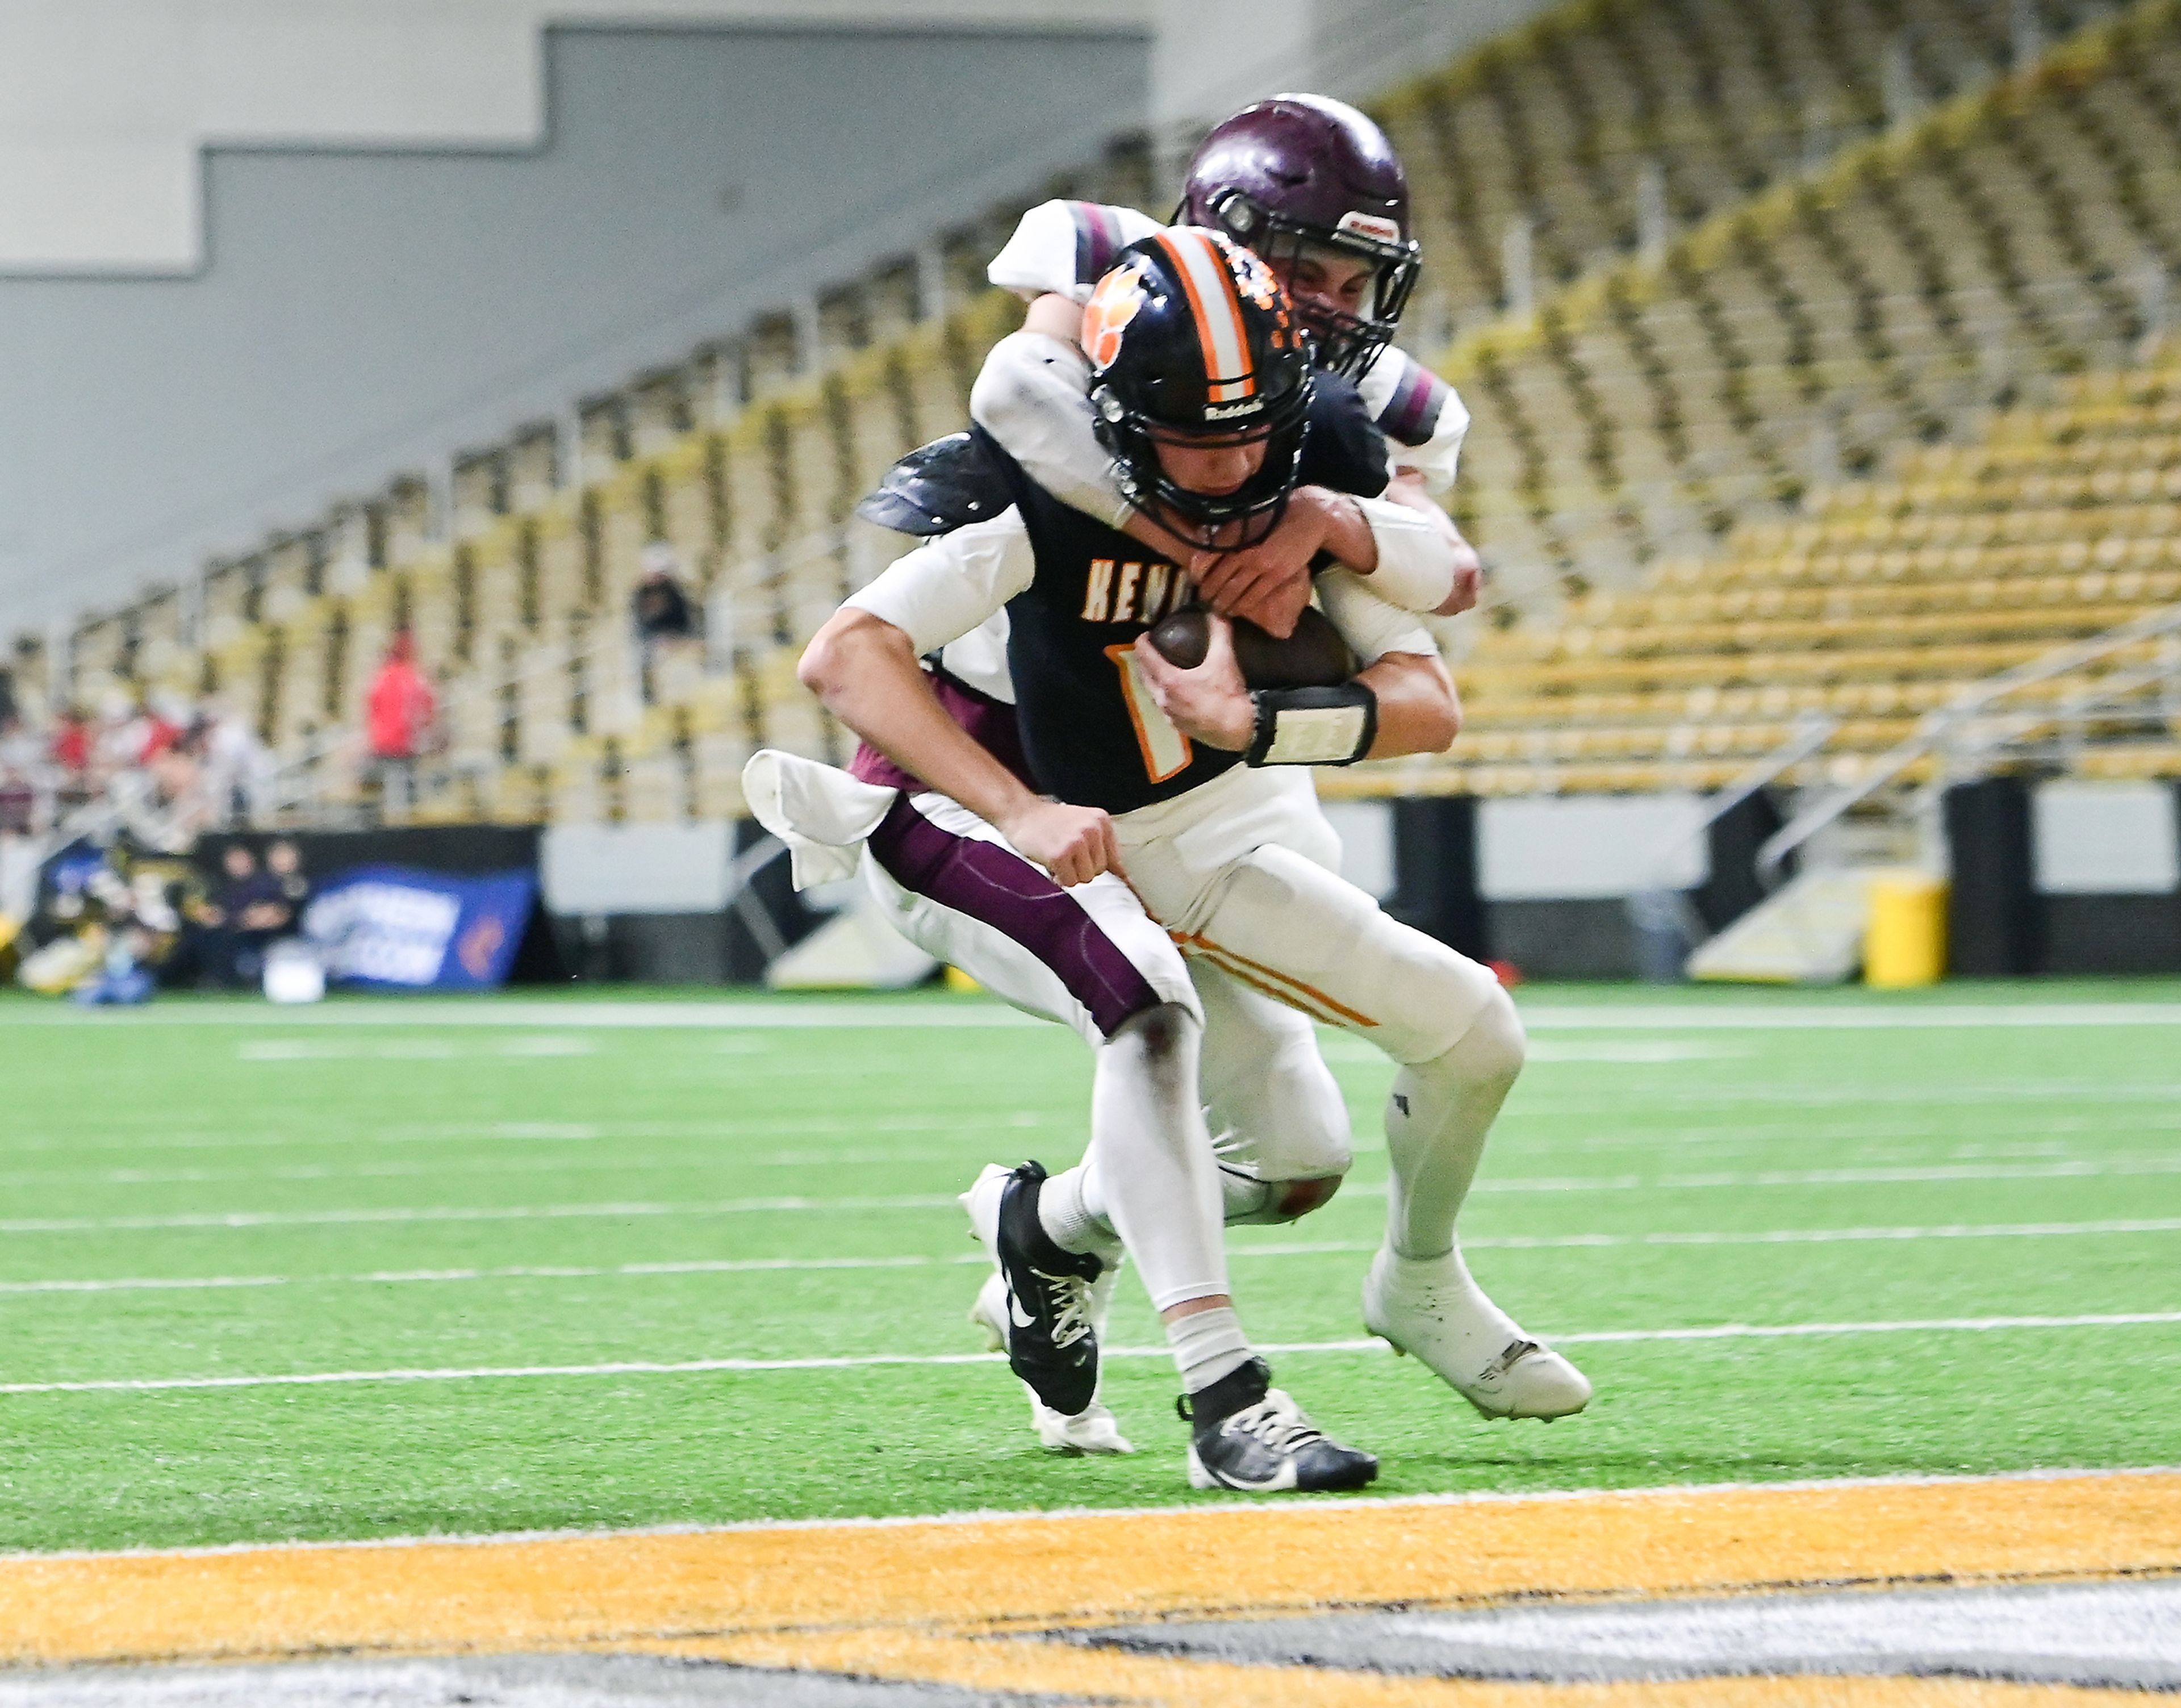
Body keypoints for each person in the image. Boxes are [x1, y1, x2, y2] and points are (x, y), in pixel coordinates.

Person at [776, 232, 1589, 1489]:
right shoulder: (1040, 482)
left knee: (1445, 1051)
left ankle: (1096, 1235)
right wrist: (1019, 808)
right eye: (1186, 439)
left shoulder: (1315, 461)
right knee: (1146, 1011)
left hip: (1179, 820)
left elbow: (1432, 673)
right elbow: (845, 657)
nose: (1225, 469)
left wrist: (1261, 700)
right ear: (1110, 421)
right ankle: (1228, 1397)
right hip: (968, 810)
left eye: (1253, 433)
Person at [975, 94, 1480, 640]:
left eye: (1353, 287)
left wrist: (1325, 518)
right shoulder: (1129, 280)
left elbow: (1456, 577)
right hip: (1007, 645)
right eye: (1304, 277)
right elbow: (1016, 387)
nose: (1329, 313)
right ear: (1225, 237)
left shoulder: (1369, 388)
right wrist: (1199, 552)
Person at [365, 631, 436, 818]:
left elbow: (372, 707)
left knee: (395, 784)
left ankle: (397, 816)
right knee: (402, 784)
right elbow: (428, 706)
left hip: (386, 741)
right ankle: (402, 819)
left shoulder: (381, 677)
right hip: (403, 741)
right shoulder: (414, 677)